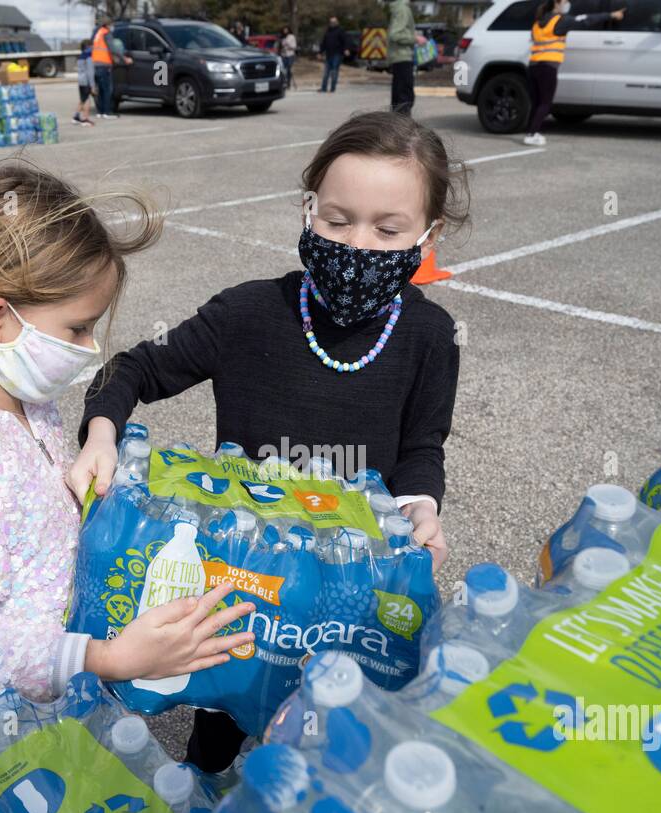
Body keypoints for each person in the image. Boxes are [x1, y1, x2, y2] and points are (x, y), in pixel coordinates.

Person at [69, 111, 469, 774]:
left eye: (388, 228)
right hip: (242, 576)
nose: (358, 245)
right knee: (219, 731)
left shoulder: (430, 336)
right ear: (307, 207)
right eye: (336, 220)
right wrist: (102, 432)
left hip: (347, 583)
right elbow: (131, 368)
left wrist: (421, 502)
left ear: (429, 234)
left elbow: (424, 442)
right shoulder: (249, 314)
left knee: (332, 738)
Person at [0, 162, 256, 751]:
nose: (90, 348)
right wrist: (106, 657)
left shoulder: (17, 393)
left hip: (62, 689)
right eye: (78, 329)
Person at [522, 0, 624, 146]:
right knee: (545, 103)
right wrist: (611, 15)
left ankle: (531, 131)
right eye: (565, 1)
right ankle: (532, 134)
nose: (567, 3)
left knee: (537, 102)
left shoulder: (538, 23)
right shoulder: (561, 20)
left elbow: (536, 39)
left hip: (533, 66)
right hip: (548, 66)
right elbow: (587, 20)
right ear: (557, 3)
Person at [91, 18, 131, 120]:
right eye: (112, 25)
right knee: (107, 89)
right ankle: (107, 112)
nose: (112, 27)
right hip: (104, 64)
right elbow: (112, 48)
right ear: (108, 25)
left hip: (96, 64)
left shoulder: (98, 33)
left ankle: (100, 112)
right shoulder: (106, 33)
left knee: (101, 89)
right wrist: (124, 58)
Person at [386, 0, 416, 115]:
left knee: (399, 98)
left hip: (399, 57)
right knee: (404, 98)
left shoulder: (400, 8)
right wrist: (415, 39)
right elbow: (395, 34)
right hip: (402, 56)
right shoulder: (403, 9)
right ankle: (402, 128)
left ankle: (396, 127)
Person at [319, 16, 349, 93]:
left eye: (334, 22)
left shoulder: (340, 31)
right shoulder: (328, 31)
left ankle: (332, 88)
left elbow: (345, 41)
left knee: (334, 71)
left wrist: (346, 49)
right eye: (331, 22)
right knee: (326, 72)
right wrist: (320, 52)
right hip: (329, 54)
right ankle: (323, 88)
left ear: (337, 22)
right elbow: (324, 43)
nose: (332, 23)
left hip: (337, 54)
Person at [72, 39, 95, 126]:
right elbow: (90, 72)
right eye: (92, 45)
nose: (93, 47)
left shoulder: (81, 56)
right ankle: (85, 119)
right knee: (87, 100)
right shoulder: (88, 56)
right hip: (86, 81)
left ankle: (76, 117)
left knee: (82, 99)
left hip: (81, 80)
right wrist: (92, 85)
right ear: (89, 46)